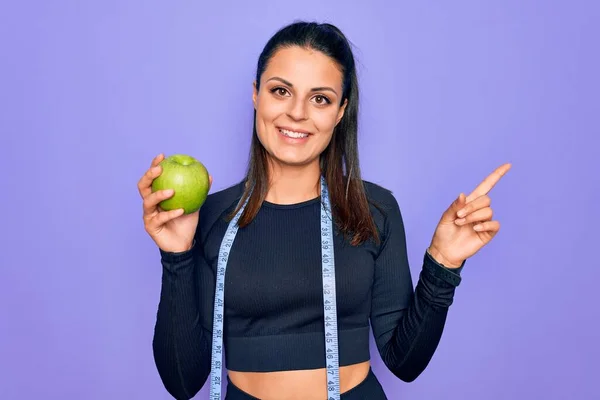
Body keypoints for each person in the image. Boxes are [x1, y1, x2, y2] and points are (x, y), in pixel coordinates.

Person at [137, 21, 510, 400]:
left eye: (320, 99)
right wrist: (176, 255)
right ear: (256, 95)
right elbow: (182, 383)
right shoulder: (213, 216)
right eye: (281, 91)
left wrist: (443, 264)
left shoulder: (374, 210)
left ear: (340, 111)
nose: (297, 113)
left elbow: (405, 362)